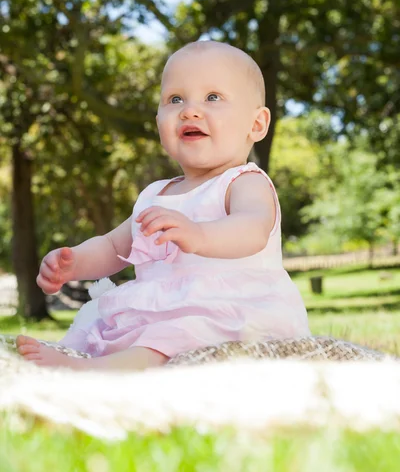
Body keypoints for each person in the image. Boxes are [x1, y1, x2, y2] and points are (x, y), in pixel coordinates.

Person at [16, 40, 310, 371]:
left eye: (213, 97)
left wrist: (199, 234)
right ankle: (68, 353)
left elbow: (253, 228)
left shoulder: (243, 182)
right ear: (159, 123)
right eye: (175, 99)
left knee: (177, 332)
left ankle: (97, 371)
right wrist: (75, 263)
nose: (190, 110)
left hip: (233, 311)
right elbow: (114, 246)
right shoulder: (156, 194)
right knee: (95, 315)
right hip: (165, 306)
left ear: (256, 124)